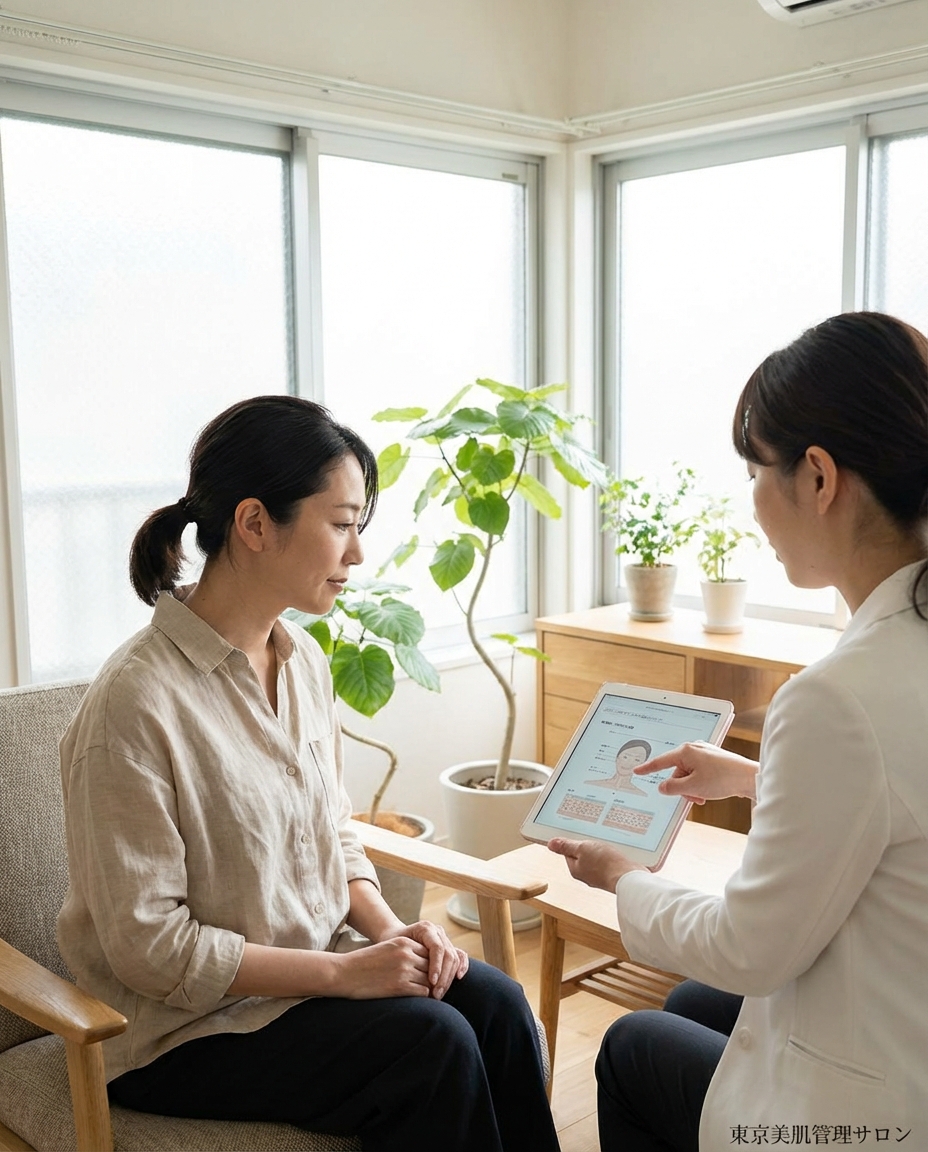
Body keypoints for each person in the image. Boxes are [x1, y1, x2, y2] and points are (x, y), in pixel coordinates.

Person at [57, 395, 559, 1152]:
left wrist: (400, 937)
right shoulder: (134, 704)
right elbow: (150, 949)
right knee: (433, 1046)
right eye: (342, 524)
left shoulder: (303, 664)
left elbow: (334, 835)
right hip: (179, 1034)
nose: (357, 553)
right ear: (255, 524)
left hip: (303, 987)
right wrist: (346, 978)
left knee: (494, 1003)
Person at [549, 312, 928, 1151]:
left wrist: (619, 876)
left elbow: (748, 948)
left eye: (758, 470)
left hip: (871, 1120)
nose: (753, 502)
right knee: (690, 1005)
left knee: (636, 1042)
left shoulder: (836, 698)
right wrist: (757, 778)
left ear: (820, 478)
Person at [587, 738, 652, 792]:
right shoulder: (591, 784)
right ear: (617, 758)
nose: (628, 763)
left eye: (637, 760)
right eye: (625, 757)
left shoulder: (640, 794)